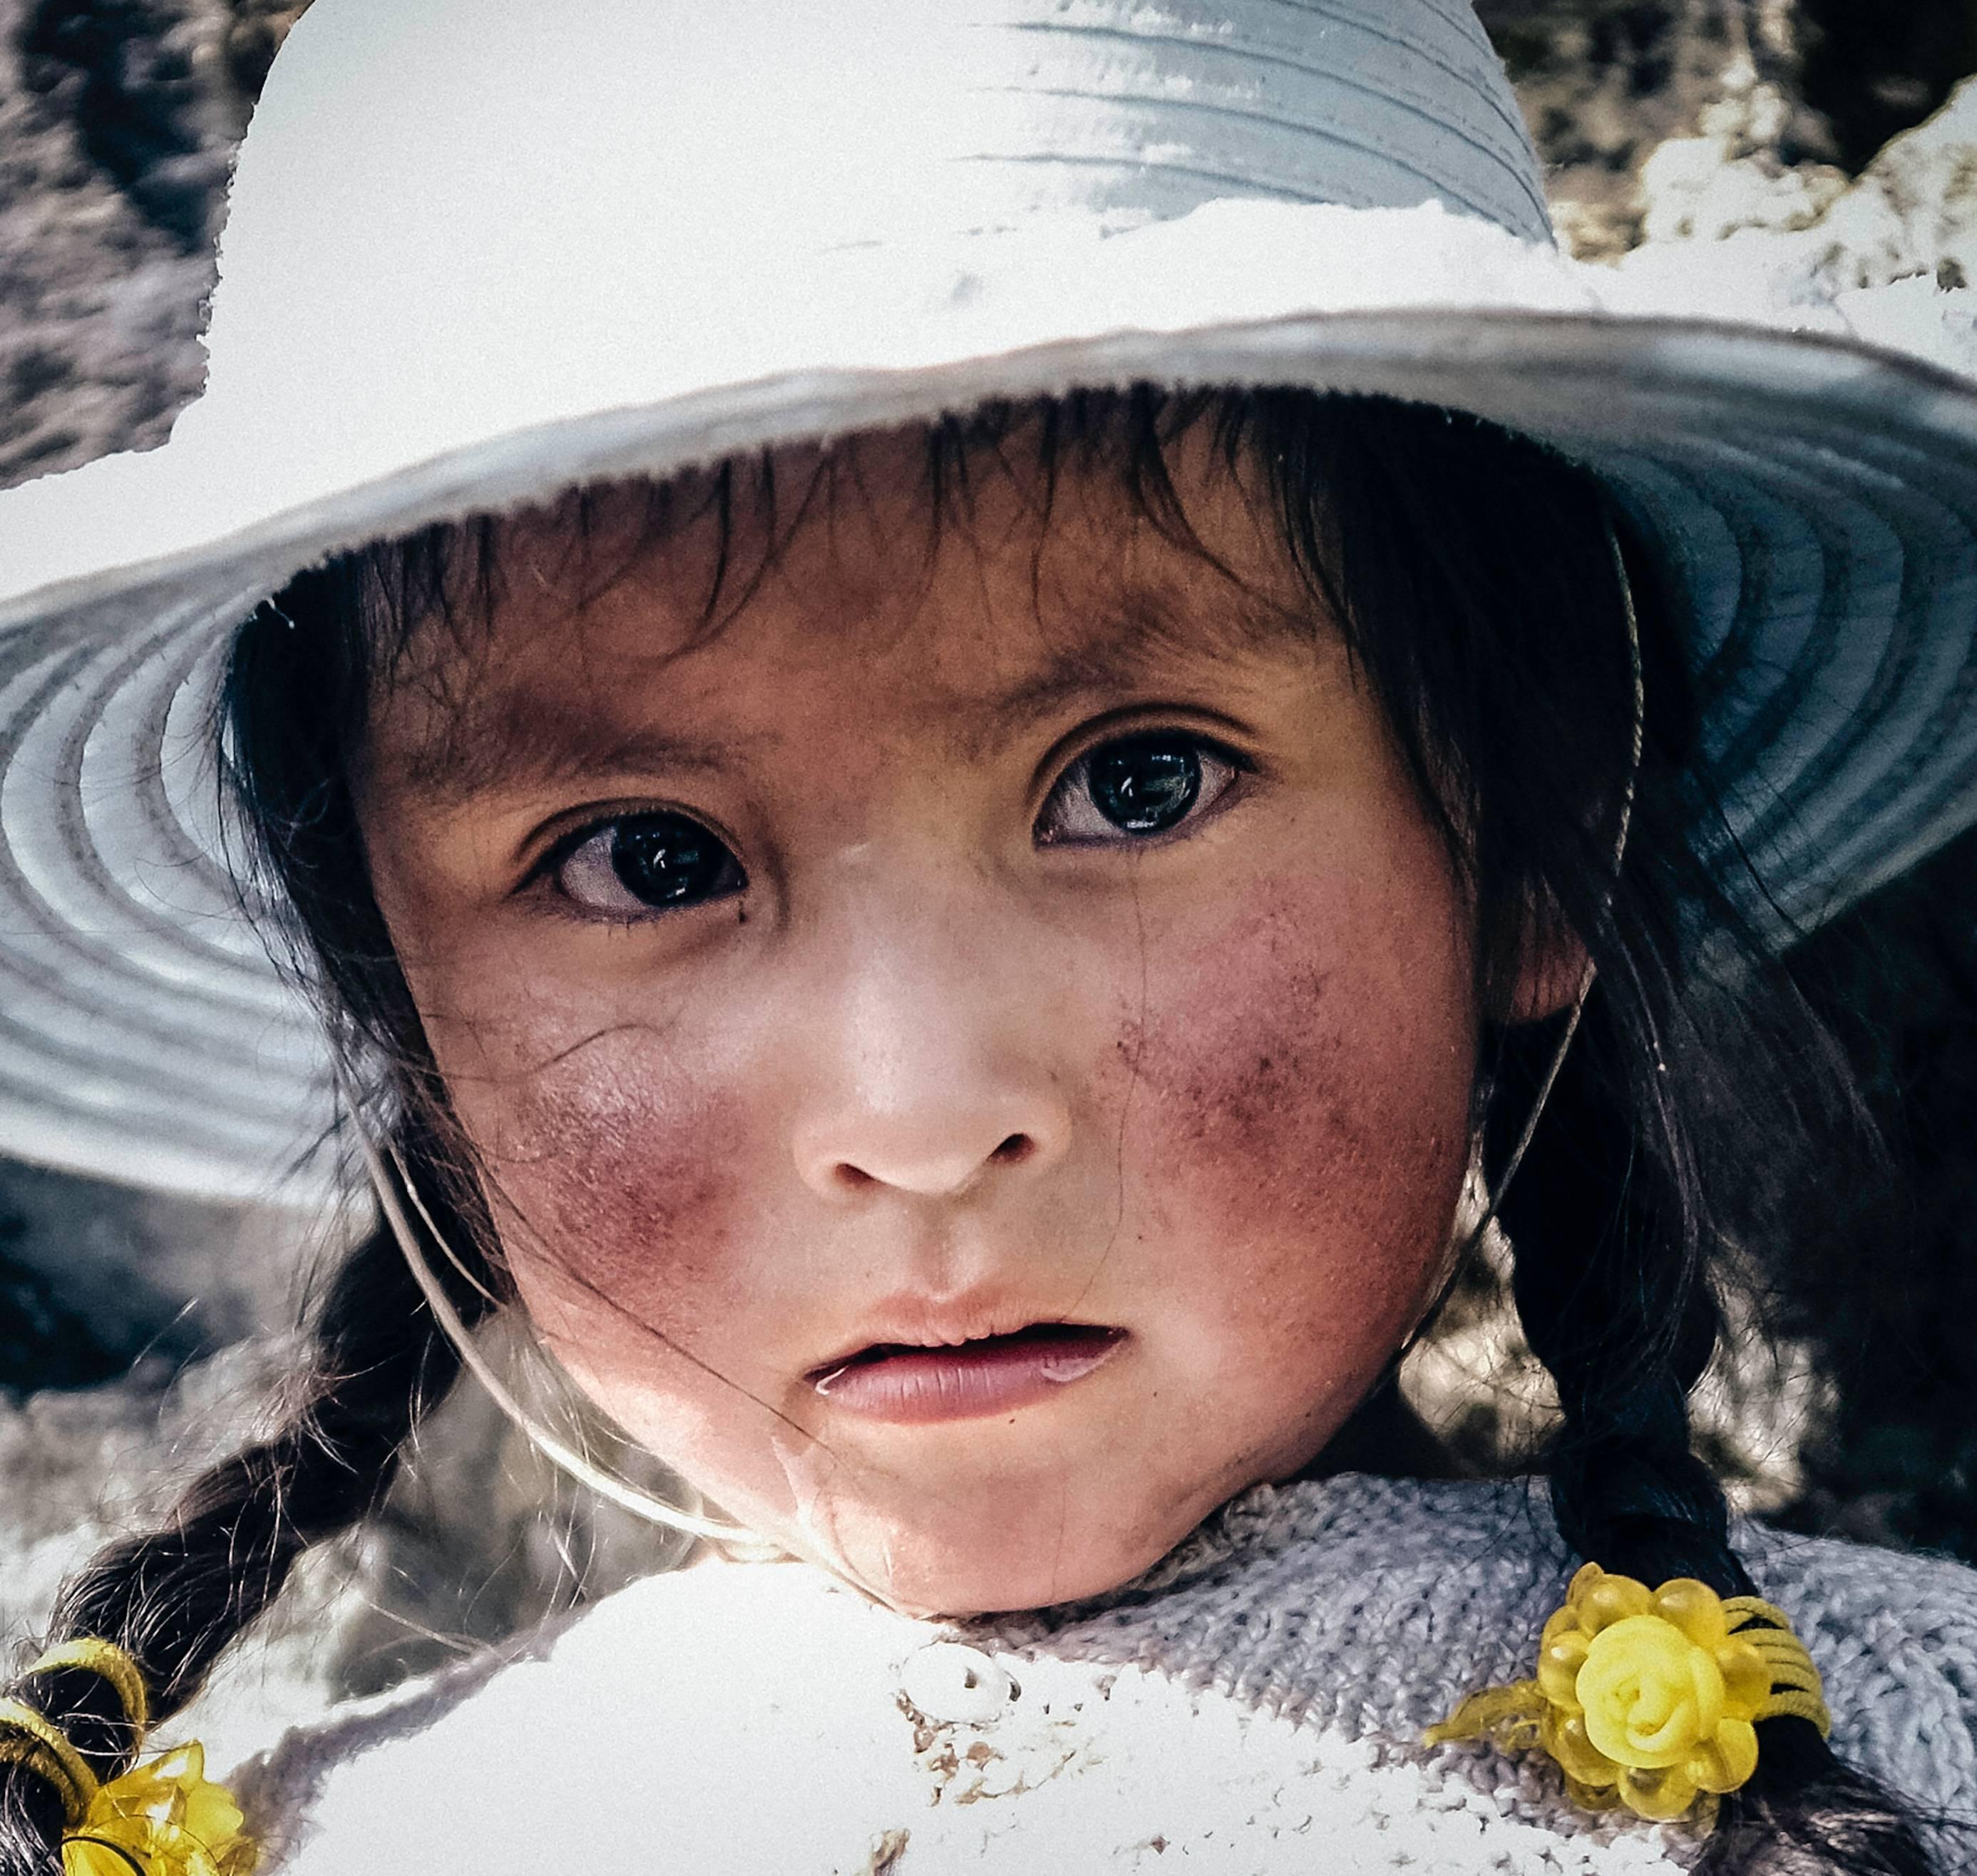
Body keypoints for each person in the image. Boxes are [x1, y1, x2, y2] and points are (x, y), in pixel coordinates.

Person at [0, 1, 1973, 1872]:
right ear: (412, 1020)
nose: (924, 1119)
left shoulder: (1923, 1749)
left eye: (1137, 784)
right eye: (651, 864)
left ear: (1530, 846)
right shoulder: (320, 1842)